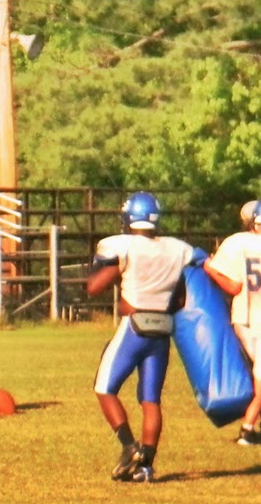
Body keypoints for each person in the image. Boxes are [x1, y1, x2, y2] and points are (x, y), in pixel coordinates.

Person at [85, 192, 198, 482]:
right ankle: (146, 465)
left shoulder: (122, 245)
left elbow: (94, 287)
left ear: (128, 217)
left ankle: (128, 447)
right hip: (162, 328)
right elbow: (180, 299)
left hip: (134, 326)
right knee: (151, 400)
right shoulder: (175, 249)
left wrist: (104, 270)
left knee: (104, 388)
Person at [201, 199, 261, 447]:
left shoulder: (237, 242)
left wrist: (210, 268)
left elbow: (233, 286)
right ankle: (248, 428)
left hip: (245, 317)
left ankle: (249, 427)